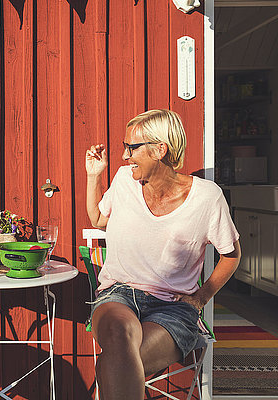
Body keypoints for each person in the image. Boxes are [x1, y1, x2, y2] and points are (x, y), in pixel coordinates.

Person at [85, 109, 241, 400]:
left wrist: (201, 297)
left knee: (115, 364)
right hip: (119, 294)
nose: (123, 156)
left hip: (173, 307)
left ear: (160, 149)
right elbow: (98, 219)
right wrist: (94, 176)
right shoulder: (124, 180)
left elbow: (231, 255)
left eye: (131, 148)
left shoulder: (207, 198)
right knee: (119, 336)